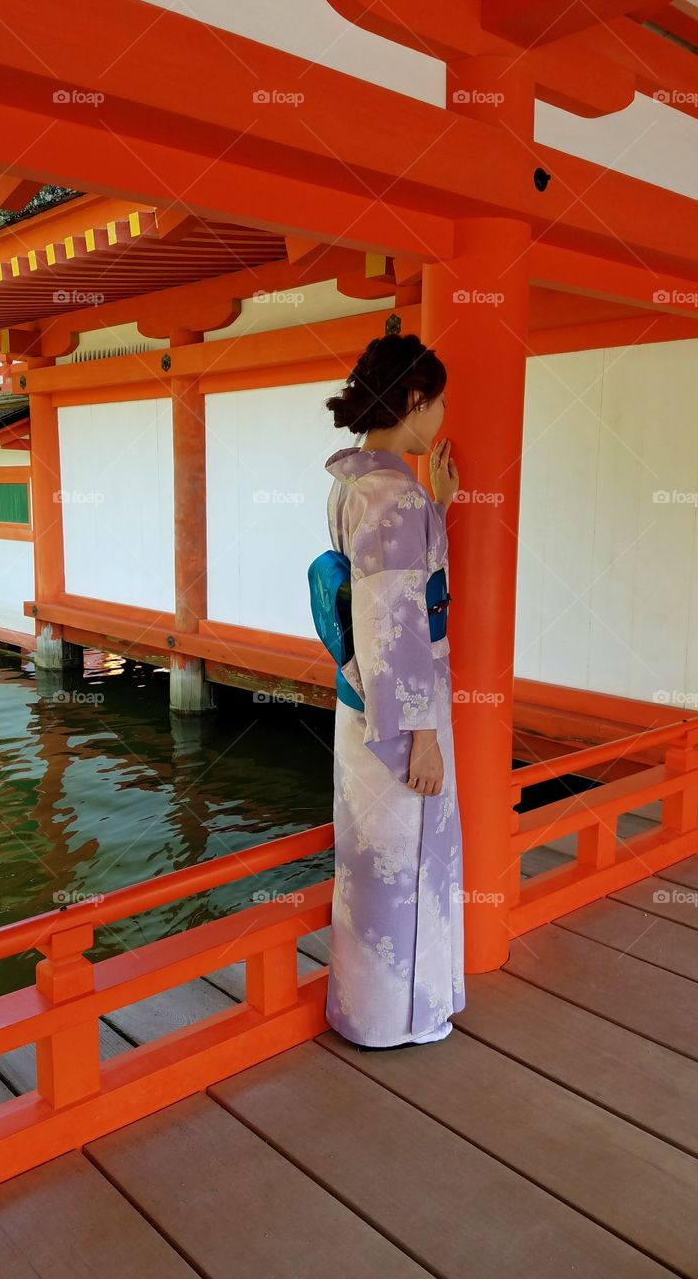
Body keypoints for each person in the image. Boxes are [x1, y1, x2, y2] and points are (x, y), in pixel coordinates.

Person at [322, 332, 464, 1050]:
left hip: (360, 703)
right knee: (405, 858)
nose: (440, 417)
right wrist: (424, 735)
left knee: (368, 859)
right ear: (413, 399)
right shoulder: (397, 499)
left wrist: (436, 506)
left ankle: (362, 1007)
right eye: (436, 401)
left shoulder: (355, 485)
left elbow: (384, 596)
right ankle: (401, 1019)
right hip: (401, 714)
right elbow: (398, 622)